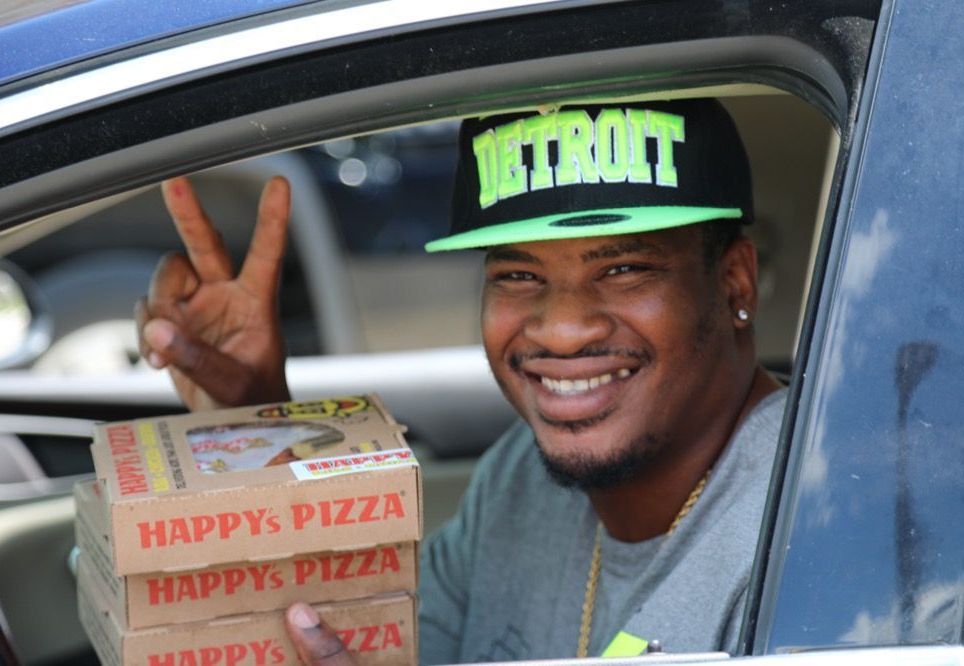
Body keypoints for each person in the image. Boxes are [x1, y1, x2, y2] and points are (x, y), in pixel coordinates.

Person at [137, 99, 785, 664]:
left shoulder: (805, 522)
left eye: (622, 268)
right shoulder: (519, 482)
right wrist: (254, 419)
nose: (560, 329)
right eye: (518, 275)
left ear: (735, 284)